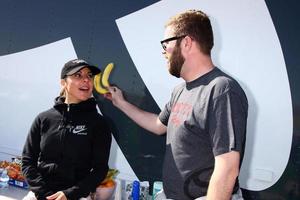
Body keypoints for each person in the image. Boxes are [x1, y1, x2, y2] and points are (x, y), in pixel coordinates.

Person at [105, 10, 248, 200]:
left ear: (187, 43)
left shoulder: (222, 90)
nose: (163, 52)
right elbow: (158, 125)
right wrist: (121, 103)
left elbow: (227, 169)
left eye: (166, 44)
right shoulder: (180, 90)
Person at [22, 59, 112, 200]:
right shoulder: (43, 118)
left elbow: (100, 170)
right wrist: (44, 194)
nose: (86, 80)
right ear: (63, 82)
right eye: (78, 75)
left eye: (89, 76)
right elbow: (28, 161)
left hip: (77, 195)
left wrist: (69, 194)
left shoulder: (99, 123)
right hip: (40, 194)